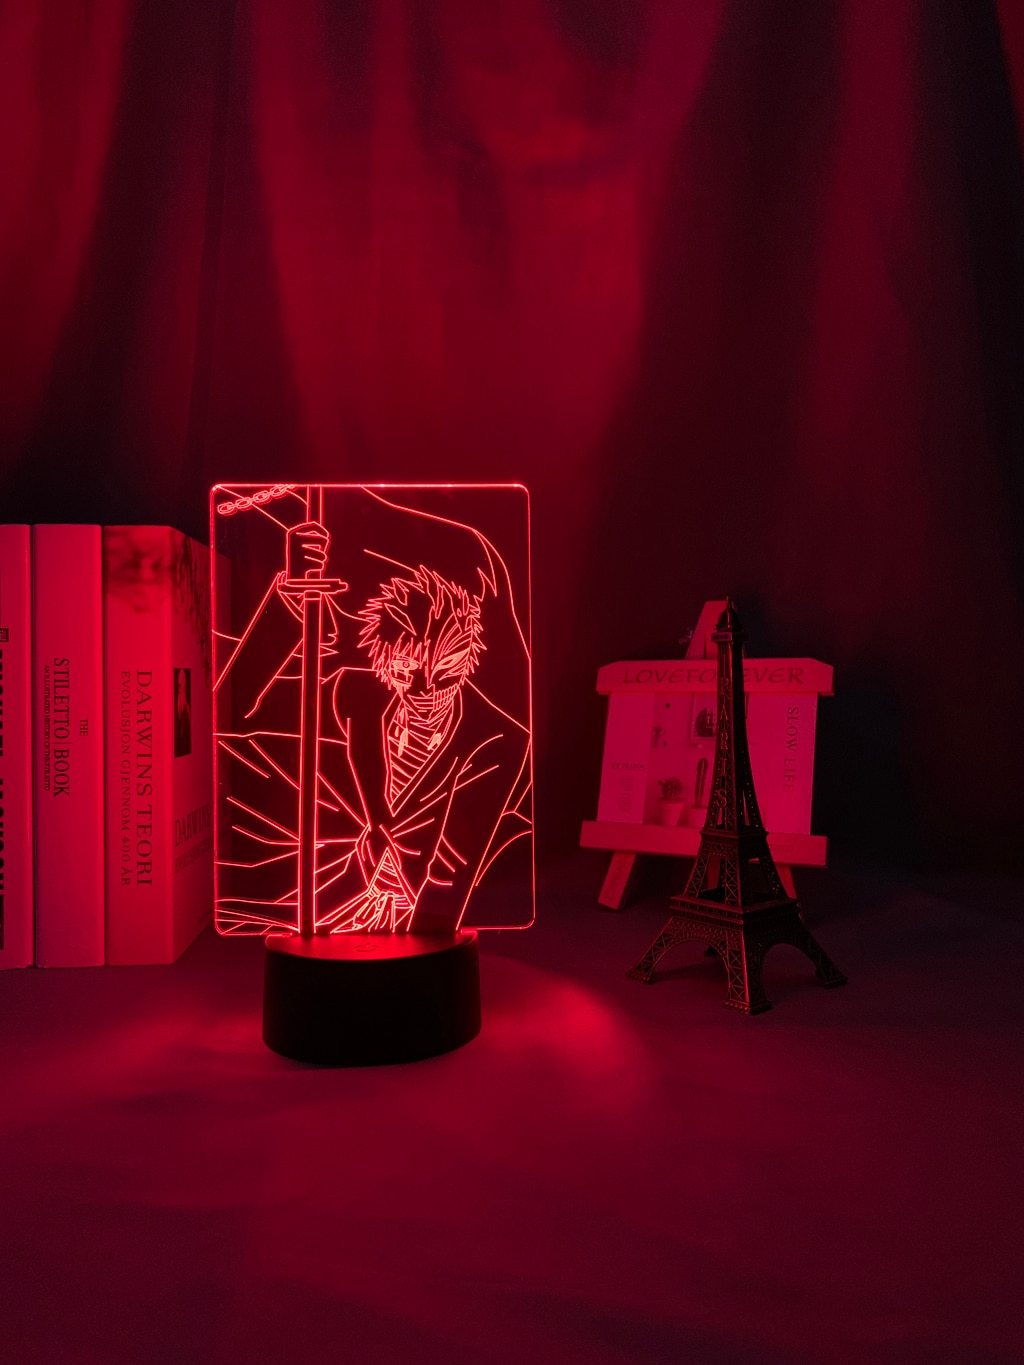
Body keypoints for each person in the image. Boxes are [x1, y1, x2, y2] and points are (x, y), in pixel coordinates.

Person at [214, 498, 530, 935]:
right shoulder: (355, 694)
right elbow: (235, 710)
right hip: (317, 908)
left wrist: (422, 945)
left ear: (468, 657)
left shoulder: (495, 740)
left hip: (424, 922)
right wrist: (292, 598)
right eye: (405, 670)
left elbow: (450, 872)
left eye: (442, 670)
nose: (423, 689)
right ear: (383, 660)